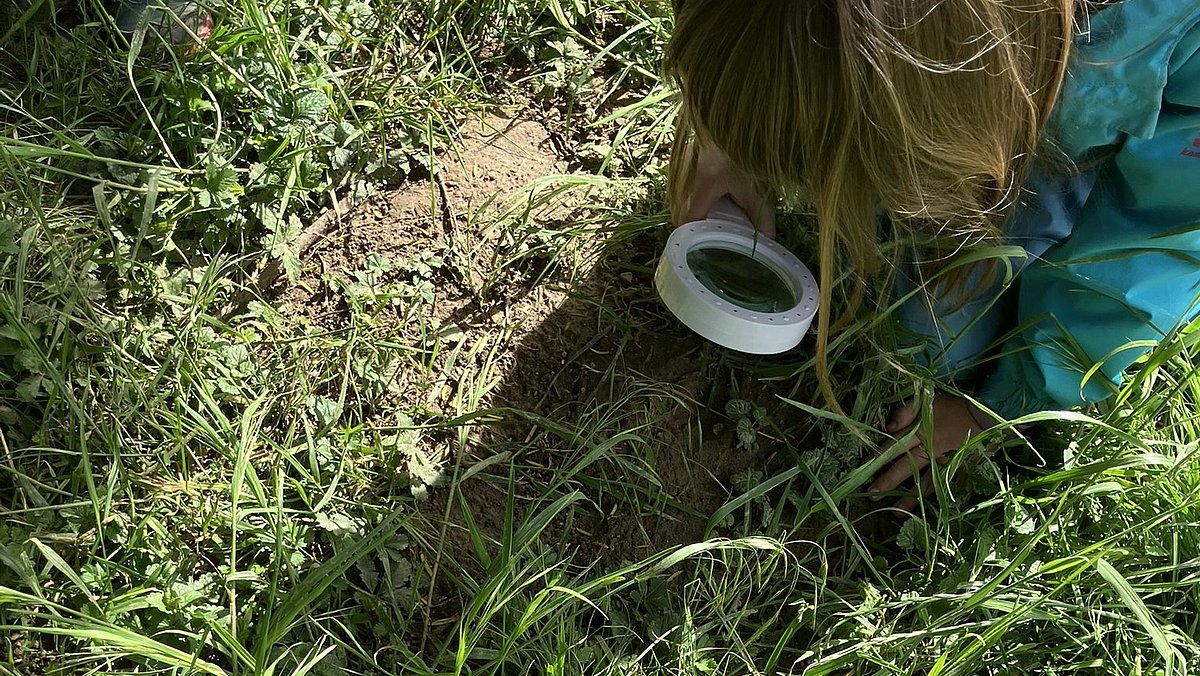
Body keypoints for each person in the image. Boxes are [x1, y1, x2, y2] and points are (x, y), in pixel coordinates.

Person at [665, 0, 1200, 510]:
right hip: (972, 92)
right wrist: (730, 130)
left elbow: (1152, 249)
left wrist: (998, 407)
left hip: (1119, 139)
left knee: (935, 342)